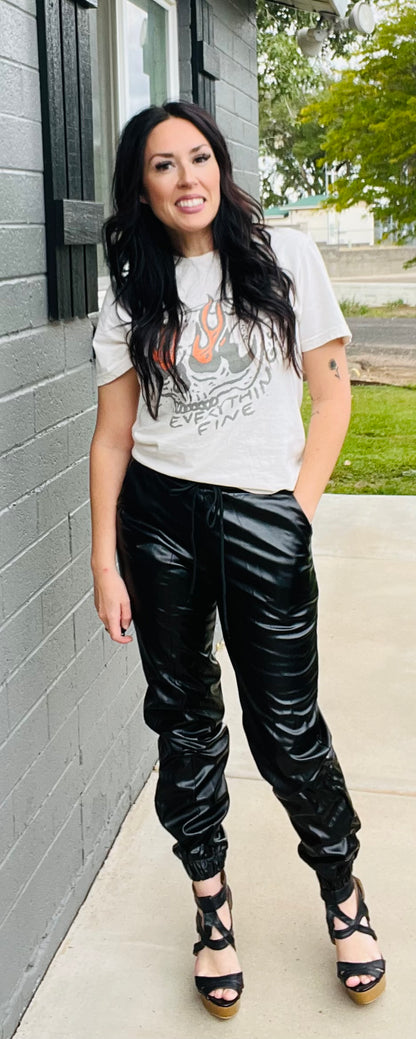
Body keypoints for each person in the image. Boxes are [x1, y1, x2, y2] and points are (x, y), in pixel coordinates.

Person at [89, 100, 385, 1020]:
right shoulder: (130, 283)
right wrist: (104, 561)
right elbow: (112, 437)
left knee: (286, 726)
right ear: (142, 186)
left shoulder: (284, 254)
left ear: (221, 165)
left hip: (261, 514)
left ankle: (342, 890)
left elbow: (332, 396)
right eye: (164, 165)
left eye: (200, 157)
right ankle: (211, 907)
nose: (188, 178)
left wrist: (293, 512)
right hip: (159, 522)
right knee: (185, 722)